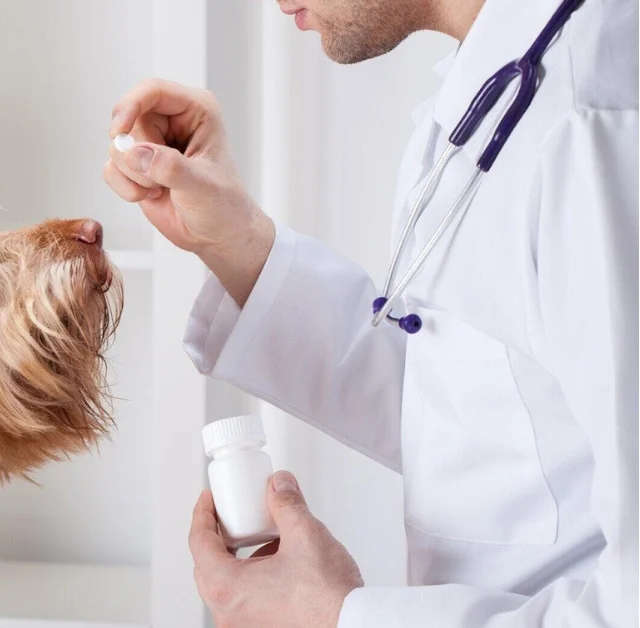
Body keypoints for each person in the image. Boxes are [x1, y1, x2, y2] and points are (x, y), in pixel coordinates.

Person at [103, 0, 638, 626]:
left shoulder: (594, 122)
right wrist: (231, 239)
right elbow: (479, 409)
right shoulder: (505, 86)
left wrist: (338, 616)